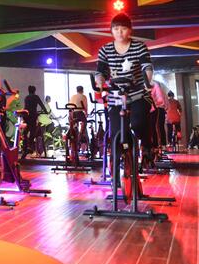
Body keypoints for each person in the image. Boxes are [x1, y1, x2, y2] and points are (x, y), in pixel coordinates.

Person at [95, 13, 154, 159]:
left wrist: (147, 82)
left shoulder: (139, 47)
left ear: (130, 30)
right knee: (116, 132)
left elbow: (147, 67)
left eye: (123, 29)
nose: (119, 32)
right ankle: (120, 161)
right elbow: (100, 71)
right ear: (111, 31)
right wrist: (100, 83)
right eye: (116, 29)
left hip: (137, 94)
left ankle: (147, 146)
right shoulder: (105, 49)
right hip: (115, 97)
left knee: (138, 123)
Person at [23, 85, 47, 157]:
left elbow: (26, 107)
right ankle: (30, 146)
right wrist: (45, 111)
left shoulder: (26, 97)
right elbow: (42, 105)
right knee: (33, 131)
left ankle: (25, 147)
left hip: (27, 116)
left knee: (26, 131)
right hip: (33, 115)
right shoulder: (36, 97)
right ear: (34, 91)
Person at [69, 85, 89, 152]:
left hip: (73, 113)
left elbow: (70, 106)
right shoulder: (84, 96)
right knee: (84, 122)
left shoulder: (73, 96)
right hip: (80, 113)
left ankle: (74, 133)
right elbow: (85, 107)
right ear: (82, 90)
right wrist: (86, 114)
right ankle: (81, 133)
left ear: (76, 90)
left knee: (73, 125)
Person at [150, 82, 168, 147]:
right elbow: (167, 105)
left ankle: (157, 144)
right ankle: (163, 144)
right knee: (161, 127)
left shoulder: (156, 90)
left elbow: (158, 101)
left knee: (156, 126)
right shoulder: (164, 92)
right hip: (162, 110)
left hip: (157, 109)